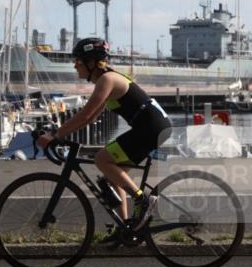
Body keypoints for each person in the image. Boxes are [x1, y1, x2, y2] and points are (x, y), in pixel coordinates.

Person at [36, 37, 172, 233]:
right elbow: (90, 119)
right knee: (111, 175)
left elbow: (86, 115)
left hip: (151, 128)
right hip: (152, 126)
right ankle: (125, 227)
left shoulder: (107, 80)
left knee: (102, 159)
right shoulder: (107, 78)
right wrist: (61, 134)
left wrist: (55, 135)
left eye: (78, 61)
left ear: (91, 63)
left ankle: (142, 199)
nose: (75, 65)